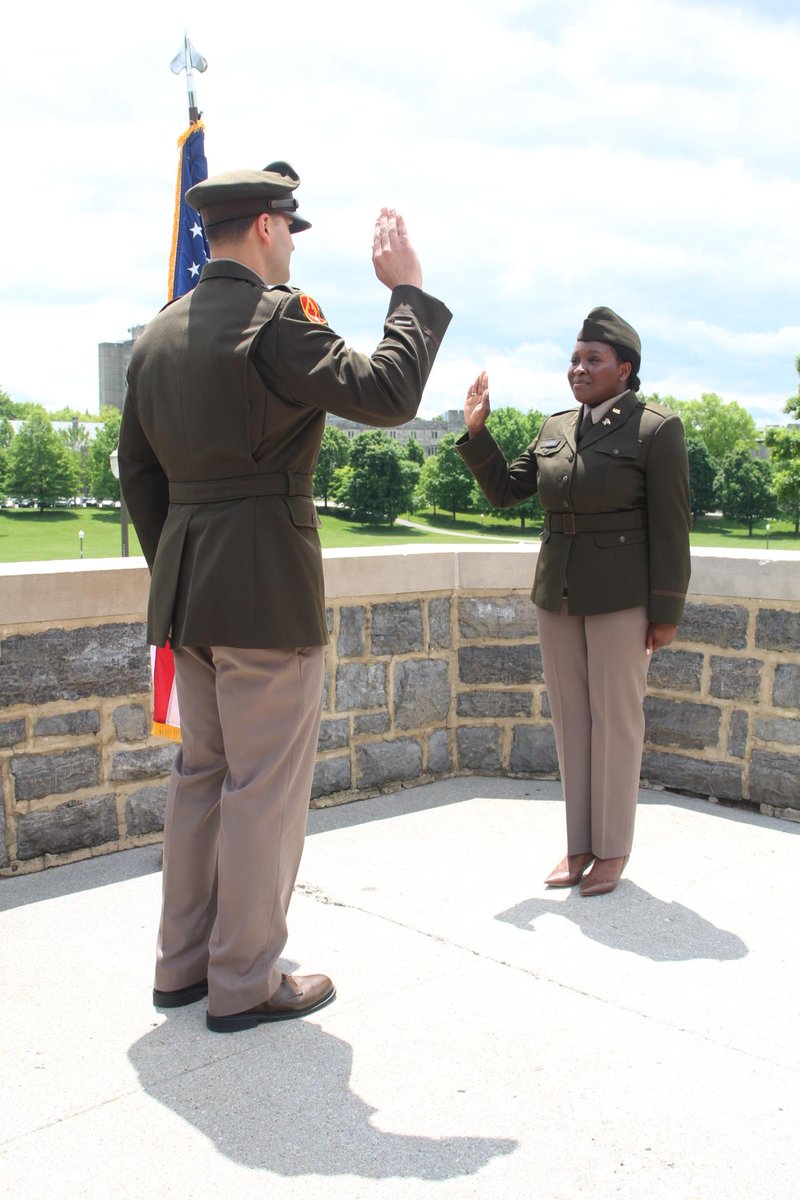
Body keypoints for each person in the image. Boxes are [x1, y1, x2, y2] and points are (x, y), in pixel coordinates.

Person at [119, 162, 452, 1031]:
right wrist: (407, 291)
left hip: (189, 592)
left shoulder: (158, 334)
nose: (290, 245)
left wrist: (180, 564)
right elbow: (388, 393)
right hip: (266, 589)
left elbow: (138, 474)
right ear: (268, 227)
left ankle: (182, 966)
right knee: (264, 788)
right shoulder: (278, 321)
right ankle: (244, 981)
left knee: (203, 778)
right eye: (290, 229)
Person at [458, 307, 690, 896]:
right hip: (556, 595)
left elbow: (671, 526)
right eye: (575, 358)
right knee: (571, 724)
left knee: (616, 723)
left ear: (625, 369)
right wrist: (478, 434)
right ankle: (578, 846)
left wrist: (664, 613)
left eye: (593, 360)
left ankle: (612, 850)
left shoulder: (656, 430)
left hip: (621, 599)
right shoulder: (555, 428)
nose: (579, 369)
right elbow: (506, 492)